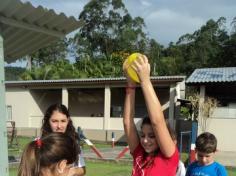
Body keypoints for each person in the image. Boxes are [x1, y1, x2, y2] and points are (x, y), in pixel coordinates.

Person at [123, 54, 179, 176]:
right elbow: (127, 122)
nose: (145, 140)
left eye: (152, 136)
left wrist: (145, 80)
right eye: (142, 135)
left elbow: (157, 122)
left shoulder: (169, 156)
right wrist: (130, 84)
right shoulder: (139, 153)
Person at [41, 103, 86, 176]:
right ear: (48, 121)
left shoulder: (74, 143)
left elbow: (82, 169)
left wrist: (73, 171)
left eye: (63, 121)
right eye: (54, 121)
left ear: (68, 121)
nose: (59, 126)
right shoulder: (39, 143)